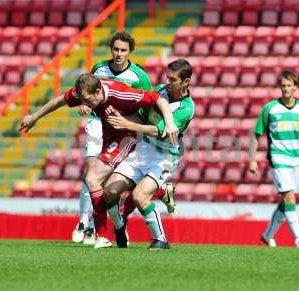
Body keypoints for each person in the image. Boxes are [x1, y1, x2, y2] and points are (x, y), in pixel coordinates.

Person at [18, 73, 179, 249]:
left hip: (128, 136)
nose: (85, 106)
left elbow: (158, 98)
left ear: (97, 92)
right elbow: (60, 100)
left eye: (87, 101)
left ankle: (102, 236)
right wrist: (34, 117)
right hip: (109, 138)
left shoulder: (120, 93)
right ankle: (139, 209)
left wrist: (170, 123)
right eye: (82, 101)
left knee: (93, 178)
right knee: (111, 189)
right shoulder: (85, 91)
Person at [71, 31, 175, 245]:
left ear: (130, 52)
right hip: (98, 125)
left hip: (126, 130)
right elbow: (88, 92)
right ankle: (89, 225)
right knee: (94, 175)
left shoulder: (139, 76)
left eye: (123, 50)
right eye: (115, 49)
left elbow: (150, 104)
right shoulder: (99, 68)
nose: (118, 54)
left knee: (113, 182)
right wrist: (84, 104)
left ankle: (158, 194)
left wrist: (134, 125)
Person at [103, 59, 195, 249]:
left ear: (185, 82)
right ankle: (120, 227)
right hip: (143, 149)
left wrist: (128, 125)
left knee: (139, 196)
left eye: (173, 79)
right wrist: (119, 115)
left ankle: (160, 239)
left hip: (164, 157)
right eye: (167, 77)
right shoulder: (160, 90)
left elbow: (159, 130)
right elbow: (141, 112)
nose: (167, 82)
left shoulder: (186, 108)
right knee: (110, 191)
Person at [249, 70, 299, 248]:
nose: (285, 89)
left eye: (289, 85)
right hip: (278, 159)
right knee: (289, 197)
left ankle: (268, 235)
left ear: (295, 87)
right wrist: (253, 160)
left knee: (287, 201)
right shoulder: (270, 109)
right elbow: (256, 135)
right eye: (283, 86)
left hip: (296, 160)